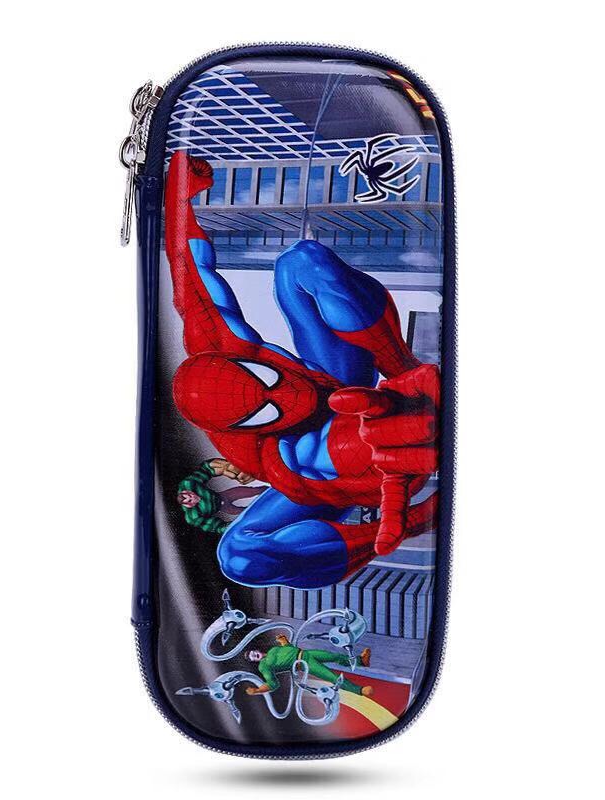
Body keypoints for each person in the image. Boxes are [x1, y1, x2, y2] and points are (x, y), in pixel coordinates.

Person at [165, 151, 440, 590]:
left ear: (239, 361)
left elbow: (190, 271)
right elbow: (320, 479)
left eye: (266, 381)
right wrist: (404, 514)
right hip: (338, 469)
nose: (282, 397)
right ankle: (414, 523)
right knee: (239, 557)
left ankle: (403, 368)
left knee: (302, 261)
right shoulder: (257, 453)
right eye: (265, 410)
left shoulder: (218, 341)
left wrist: (178, 199)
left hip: (336, 380)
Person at [244, 633, 373, 698]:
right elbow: (273, 683)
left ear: (256, 650)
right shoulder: (263, 666)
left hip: (307, 653)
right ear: (254, 661)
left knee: (334, 656)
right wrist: (258, 691)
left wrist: (284, 641)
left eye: (253, 653)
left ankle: (361, 661)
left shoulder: (272, 650)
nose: (254, 655)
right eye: (252, 657)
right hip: (304, 663)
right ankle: (359, 690)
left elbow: (289, 649)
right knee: (331, 676)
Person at [176, 458, 266, 535]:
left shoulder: (190, 483)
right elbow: (214, 526)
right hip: (223, 507)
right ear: (189, 505)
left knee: (251, 491)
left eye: (191, 495)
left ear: (189, 491)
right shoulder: (193, 516)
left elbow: (205, 470)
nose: (193, 497)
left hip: (224, 495)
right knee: (246, 512)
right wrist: (228, 527)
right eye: (191, 500)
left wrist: (214, 466)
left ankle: (270, 490)